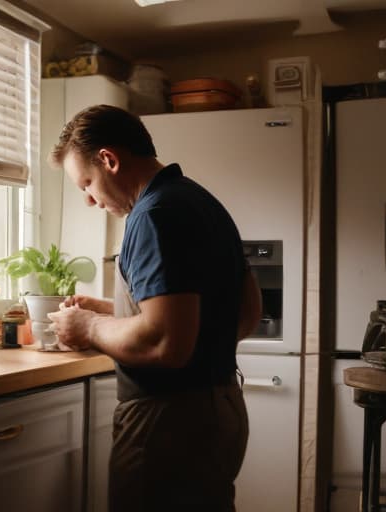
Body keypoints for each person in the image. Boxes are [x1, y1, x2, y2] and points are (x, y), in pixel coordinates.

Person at [49, 104, 262, 512]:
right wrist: (116, 312)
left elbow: (166, 342)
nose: (90, 201)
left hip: (167, 423)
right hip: (221, 409)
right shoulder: (201, 201)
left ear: (109, 160)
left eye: (86, 183)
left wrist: (89, 325)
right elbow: (244, 311)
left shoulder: (152, 215)